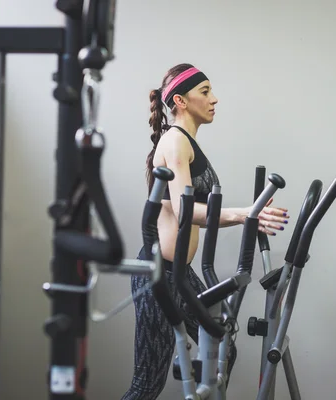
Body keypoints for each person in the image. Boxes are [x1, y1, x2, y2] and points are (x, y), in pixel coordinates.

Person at [121, 63, 290, 400]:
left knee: (222, 350)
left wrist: (248, 215)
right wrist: (247, 214)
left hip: (178, 273)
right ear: (181, 101)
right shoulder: (175, 143)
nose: (215, 99)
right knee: (147, 384)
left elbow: (203, 212)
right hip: (158, 275)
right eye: (205, 91)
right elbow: (185, 211)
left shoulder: (187, 142)